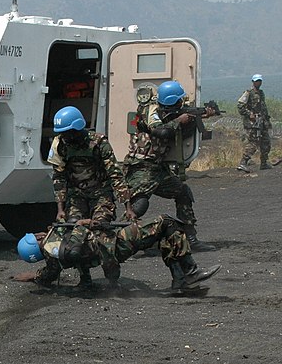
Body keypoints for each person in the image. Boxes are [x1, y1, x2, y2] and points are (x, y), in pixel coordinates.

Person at [14, 215, 221, 295]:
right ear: (37, 240)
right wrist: (83, 224)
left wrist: (34, 276)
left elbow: (48, 275)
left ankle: (180, 279)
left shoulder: (54, 259)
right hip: (116, 242)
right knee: (166, 223)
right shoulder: (57, 238)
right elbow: (82, 240)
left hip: (111, 252)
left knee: (161, 235)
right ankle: (190, 272)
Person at [123, 81, 216, 252]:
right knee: (138, 206)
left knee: (183, 192)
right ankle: (119, 240)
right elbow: (161, 131)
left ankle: (191, 238)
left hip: (158, 168)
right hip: (141, 167)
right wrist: (180, 120)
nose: (182, 103)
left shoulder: (167, 114)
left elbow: (174, 126)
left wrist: (201, 115)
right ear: (173, 101)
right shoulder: (148, 110)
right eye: (180, 100)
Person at [47, 106, 137, 224]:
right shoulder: (60, 145)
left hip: (101, 193)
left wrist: (128, 208)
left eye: (67, 133)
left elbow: (115, 174)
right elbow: (59, 178)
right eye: (62, 133)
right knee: (74, 224)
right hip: (77, 195)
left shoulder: (99, 143)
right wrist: (60, 209)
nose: (64, 137)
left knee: (100, 224)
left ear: (77, 129)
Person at [237, 74, 273, 172]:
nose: (258, 83)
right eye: (256, 81)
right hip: (253, 123)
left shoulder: (261, 93)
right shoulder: (248, 93)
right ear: (253, 81)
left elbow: (263, 108)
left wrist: (267, 121)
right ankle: (243, 162)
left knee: (266, 143)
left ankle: (264, 163)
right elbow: (240, 106)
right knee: (253, 143)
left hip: (262, 122)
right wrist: (250, 114)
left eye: (260, 81)